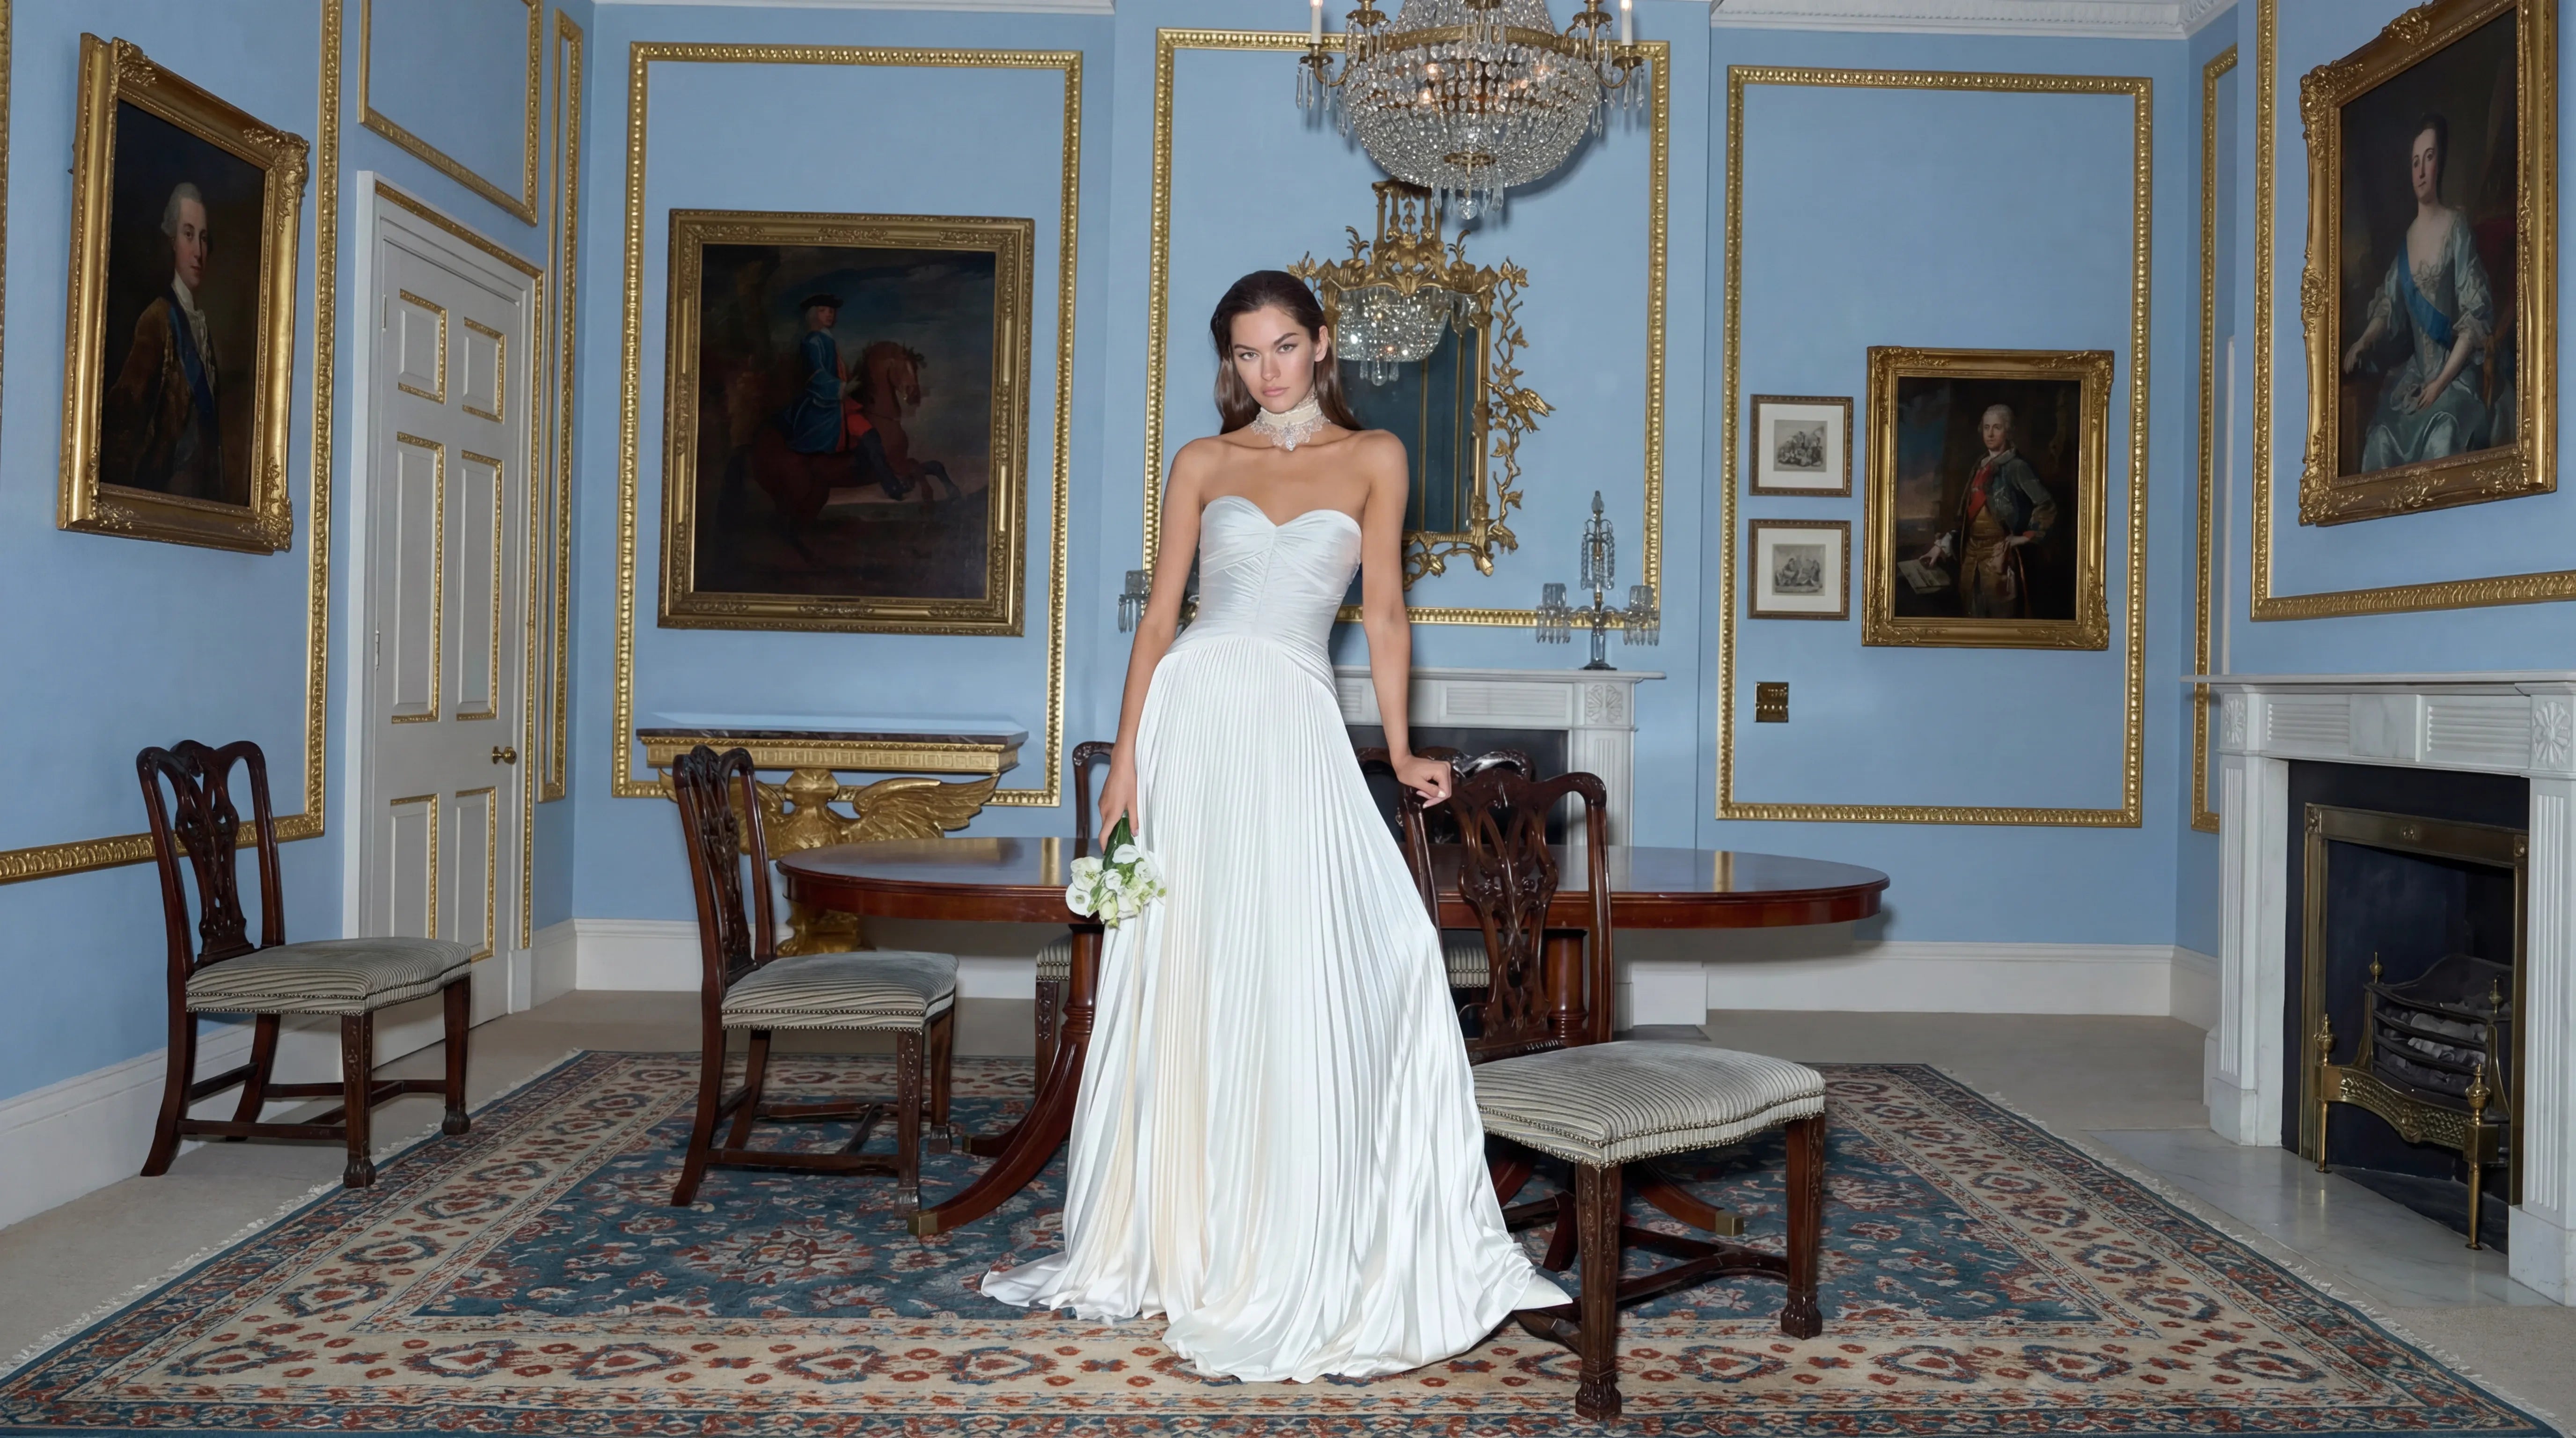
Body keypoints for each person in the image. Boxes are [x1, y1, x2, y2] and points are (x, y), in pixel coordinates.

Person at [979, 270, 1565, 1380]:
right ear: (1230, 363)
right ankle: (1190, 1229)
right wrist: (1123, 771)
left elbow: (1383, 607)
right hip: (1195, 720)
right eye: (1247, 354)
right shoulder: (1203, 462)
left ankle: (1312, 1215)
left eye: (1284, 347)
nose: (1268, 370)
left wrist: (1398, 748)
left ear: (1321, 341)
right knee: (1196, 962)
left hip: (1298, 714)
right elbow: (1161, 619)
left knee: (1360, 952)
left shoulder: (1375, 454)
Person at [2341, 111, 2497, 473]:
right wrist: (2364, 340)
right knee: (2380, 441)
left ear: (2439, 162)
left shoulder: (2456, 226)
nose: (2422, 170)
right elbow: (2387, 307)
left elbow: (2475, 315)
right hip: (2415, 380)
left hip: (2454, 377)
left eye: (2429, 157)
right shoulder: (2406, 241)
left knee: (2443, 436)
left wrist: (2440, 384)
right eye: (2415, 162)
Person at [102, 183, 229, 501]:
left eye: (203, 237)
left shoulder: (203, 329)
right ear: (172, 240)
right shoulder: (157, 318)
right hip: (167, 493)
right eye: (189, 235)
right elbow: (124, 415)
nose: (199, 252)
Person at [1919, 403, 2056, 618]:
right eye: (1986, 427)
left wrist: (2026, 537)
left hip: (2000, 558)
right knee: (1972, 614)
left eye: (1997, 428)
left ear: (2008, 431)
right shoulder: (1980, 466)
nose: (1990, 434)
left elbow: (2046, 505)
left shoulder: (2017, 467)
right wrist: (1941, 547)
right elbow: (1966, 519)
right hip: (1971, 558)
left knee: (2002, 620)